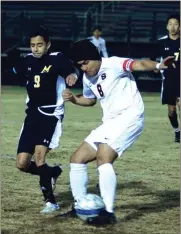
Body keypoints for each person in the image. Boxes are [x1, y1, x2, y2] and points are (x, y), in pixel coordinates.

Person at [62, 39, 172, 225]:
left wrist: (159, 65)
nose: (84, 68)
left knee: (104, 157)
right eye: (80, 66)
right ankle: (80, 206)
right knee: (77, 158)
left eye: (85, 63)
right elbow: (90, 100)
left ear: (94, 57)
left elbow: (139, 64)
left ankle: (108, 212)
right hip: (110, 123)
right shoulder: (88, 78)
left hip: (130, 117)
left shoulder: (113, 63)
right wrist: (73, 99)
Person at [7, 26, 79, 213]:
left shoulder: (58, 58)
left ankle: (50, 202)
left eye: (40, 45)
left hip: (50, 114)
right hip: (31, 115)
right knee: (22, 163)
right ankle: (52, 172)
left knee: (39, 158)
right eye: (32, 45)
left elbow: (71, 71)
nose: (35, 49)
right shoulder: (28, 60)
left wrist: (72, 76)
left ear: (48, 45)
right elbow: (12, 70)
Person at [156, 14, 180, 142]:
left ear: (180, 26)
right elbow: (154, 61)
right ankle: (177, 132)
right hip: (168, 80)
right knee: (171, 111)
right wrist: (157, 67)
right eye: (170, 24)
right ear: (166, 26)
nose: (173, 27)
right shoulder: (161, 42)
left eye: (175, 24)